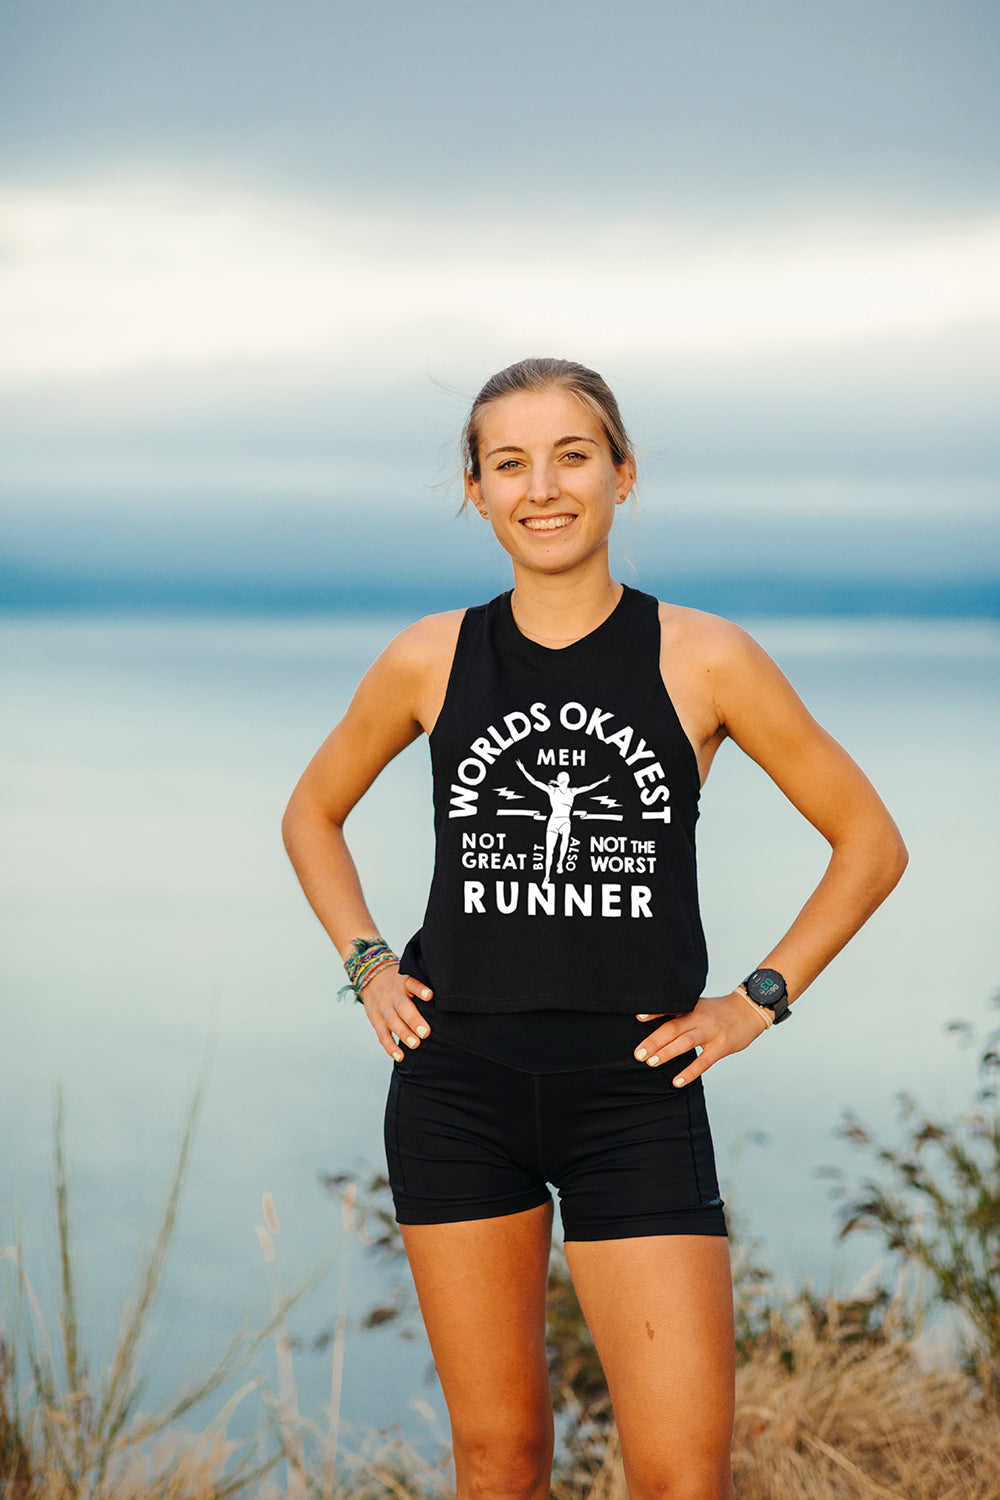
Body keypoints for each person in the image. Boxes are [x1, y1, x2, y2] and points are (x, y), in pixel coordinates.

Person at [281, 357, 908, 1500]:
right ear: (474, 491)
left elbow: (869, 842)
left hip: (634, 1093)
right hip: (454, 1085)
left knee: (677, 1477)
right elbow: (311, 814)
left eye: (572, 455)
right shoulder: (431, 656)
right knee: (501, 1459)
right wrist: (368, 964)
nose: (543, 487)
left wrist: (755, 1001)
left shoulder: (701, 655)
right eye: (508, 463)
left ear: (623, 473)